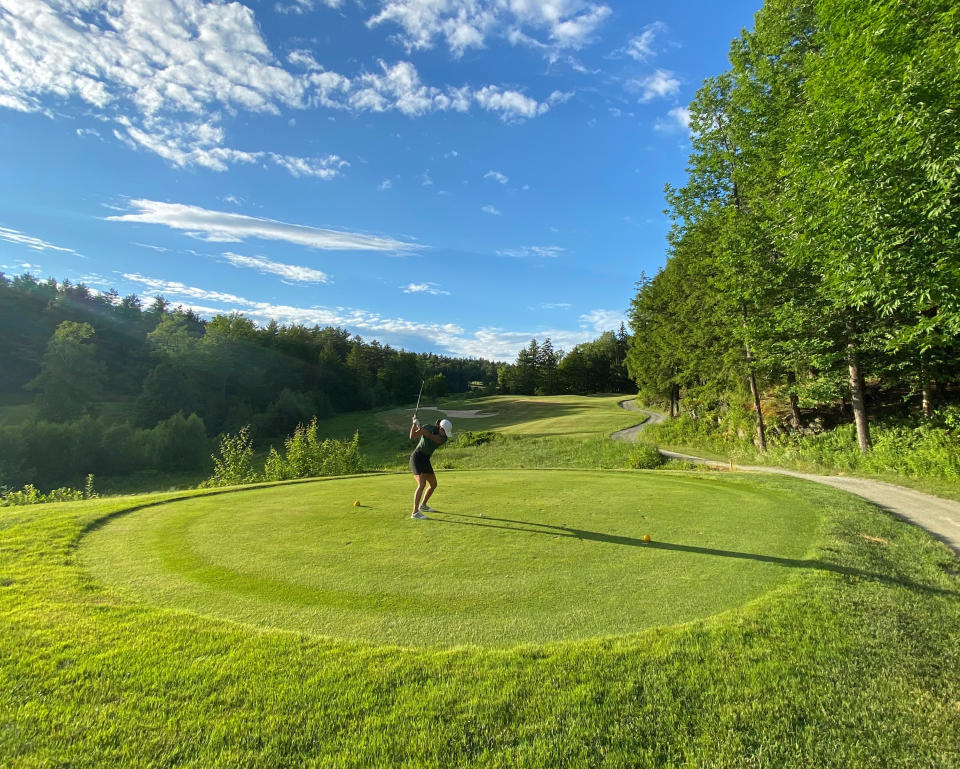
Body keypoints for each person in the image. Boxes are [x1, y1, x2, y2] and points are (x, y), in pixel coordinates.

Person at [408, 416, 453, 519]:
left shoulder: (443, 438)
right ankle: (415, 513)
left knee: (433, 484)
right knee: (422, 484)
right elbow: (412, 436)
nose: (446, 435)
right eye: (445, 432)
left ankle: (423, 506)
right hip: (417, 457)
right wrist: (414, 423)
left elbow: (431, 437)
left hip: (426, 459)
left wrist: (420, 426)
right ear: (440, 428)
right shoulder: (428, 427)